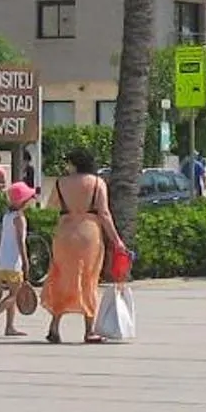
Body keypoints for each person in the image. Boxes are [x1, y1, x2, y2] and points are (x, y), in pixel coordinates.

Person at [42, 144, 126, 344]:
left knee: (61, 276)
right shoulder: (97, 183)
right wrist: (116, 240)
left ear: (74, 164)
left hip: (64, 232)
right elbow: (104, 213)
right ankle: (89, 330)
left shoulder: (60, 183)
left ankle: (54, 326)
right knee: (89, 278)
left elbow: (51, 205)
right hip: (89, 233)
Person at [0, 180, 36, 337]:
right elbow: (20, 242)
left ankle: (9, 327)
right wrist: (26, 262)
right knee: (15, 295)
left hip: (2, 261)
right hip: (13, 262)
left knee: (12, 292)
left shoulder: (7, 216)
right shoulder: (19, 218)